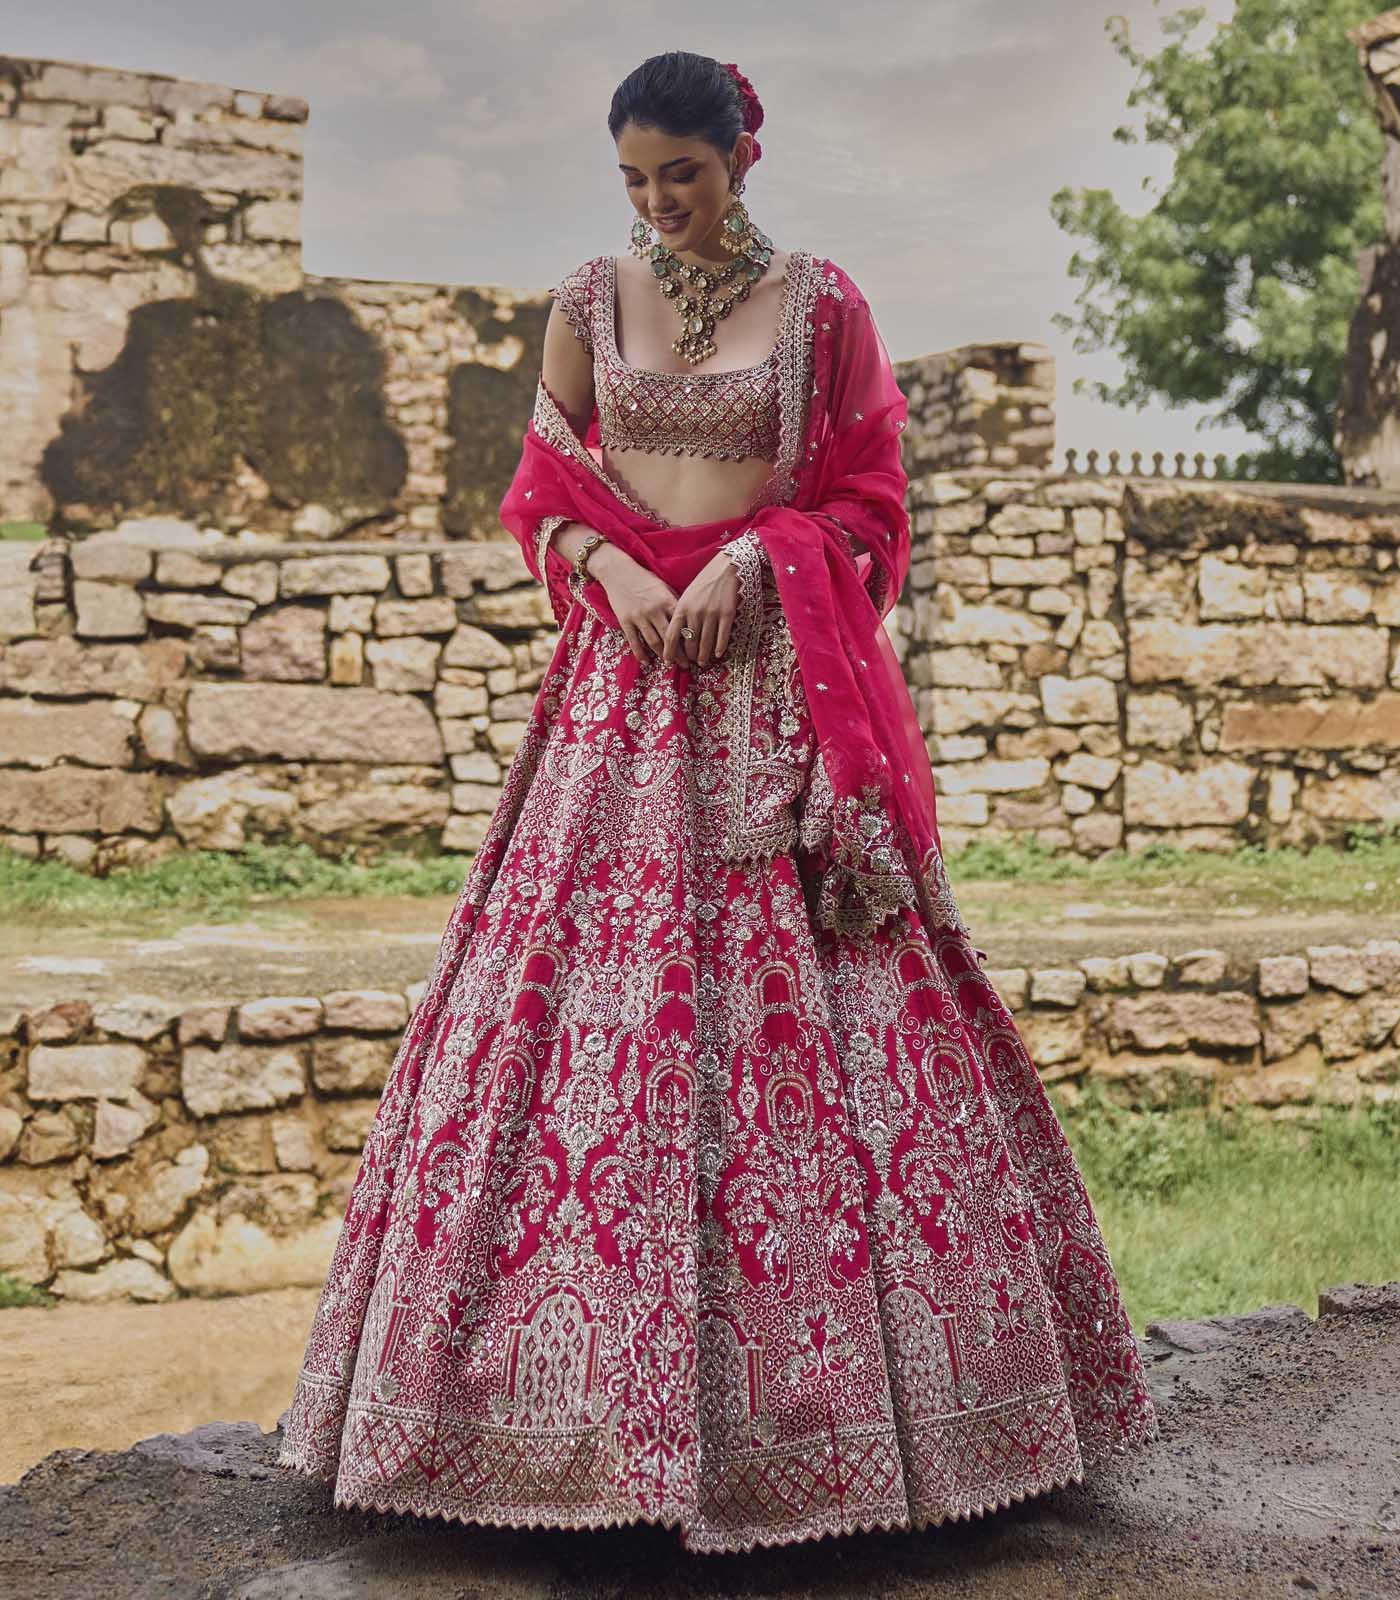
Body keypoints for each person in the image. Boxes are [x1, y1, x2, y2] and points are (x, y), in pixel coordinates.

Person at [276, 50, 1157, 1553]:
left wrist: (759, 560)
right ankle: (529, 1431)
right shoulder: (584, 299)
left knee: (814, 1029)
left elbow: (871, 506)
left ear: (743, 153)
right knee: (570, 1028)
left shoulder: (824, 308)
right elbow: (542, 492)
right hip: (617, 703)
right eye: (632, 179)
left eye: (679, 173)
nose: (656, 204)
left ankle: (860, 1437)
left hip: (764, 701)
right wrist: (611, 566)